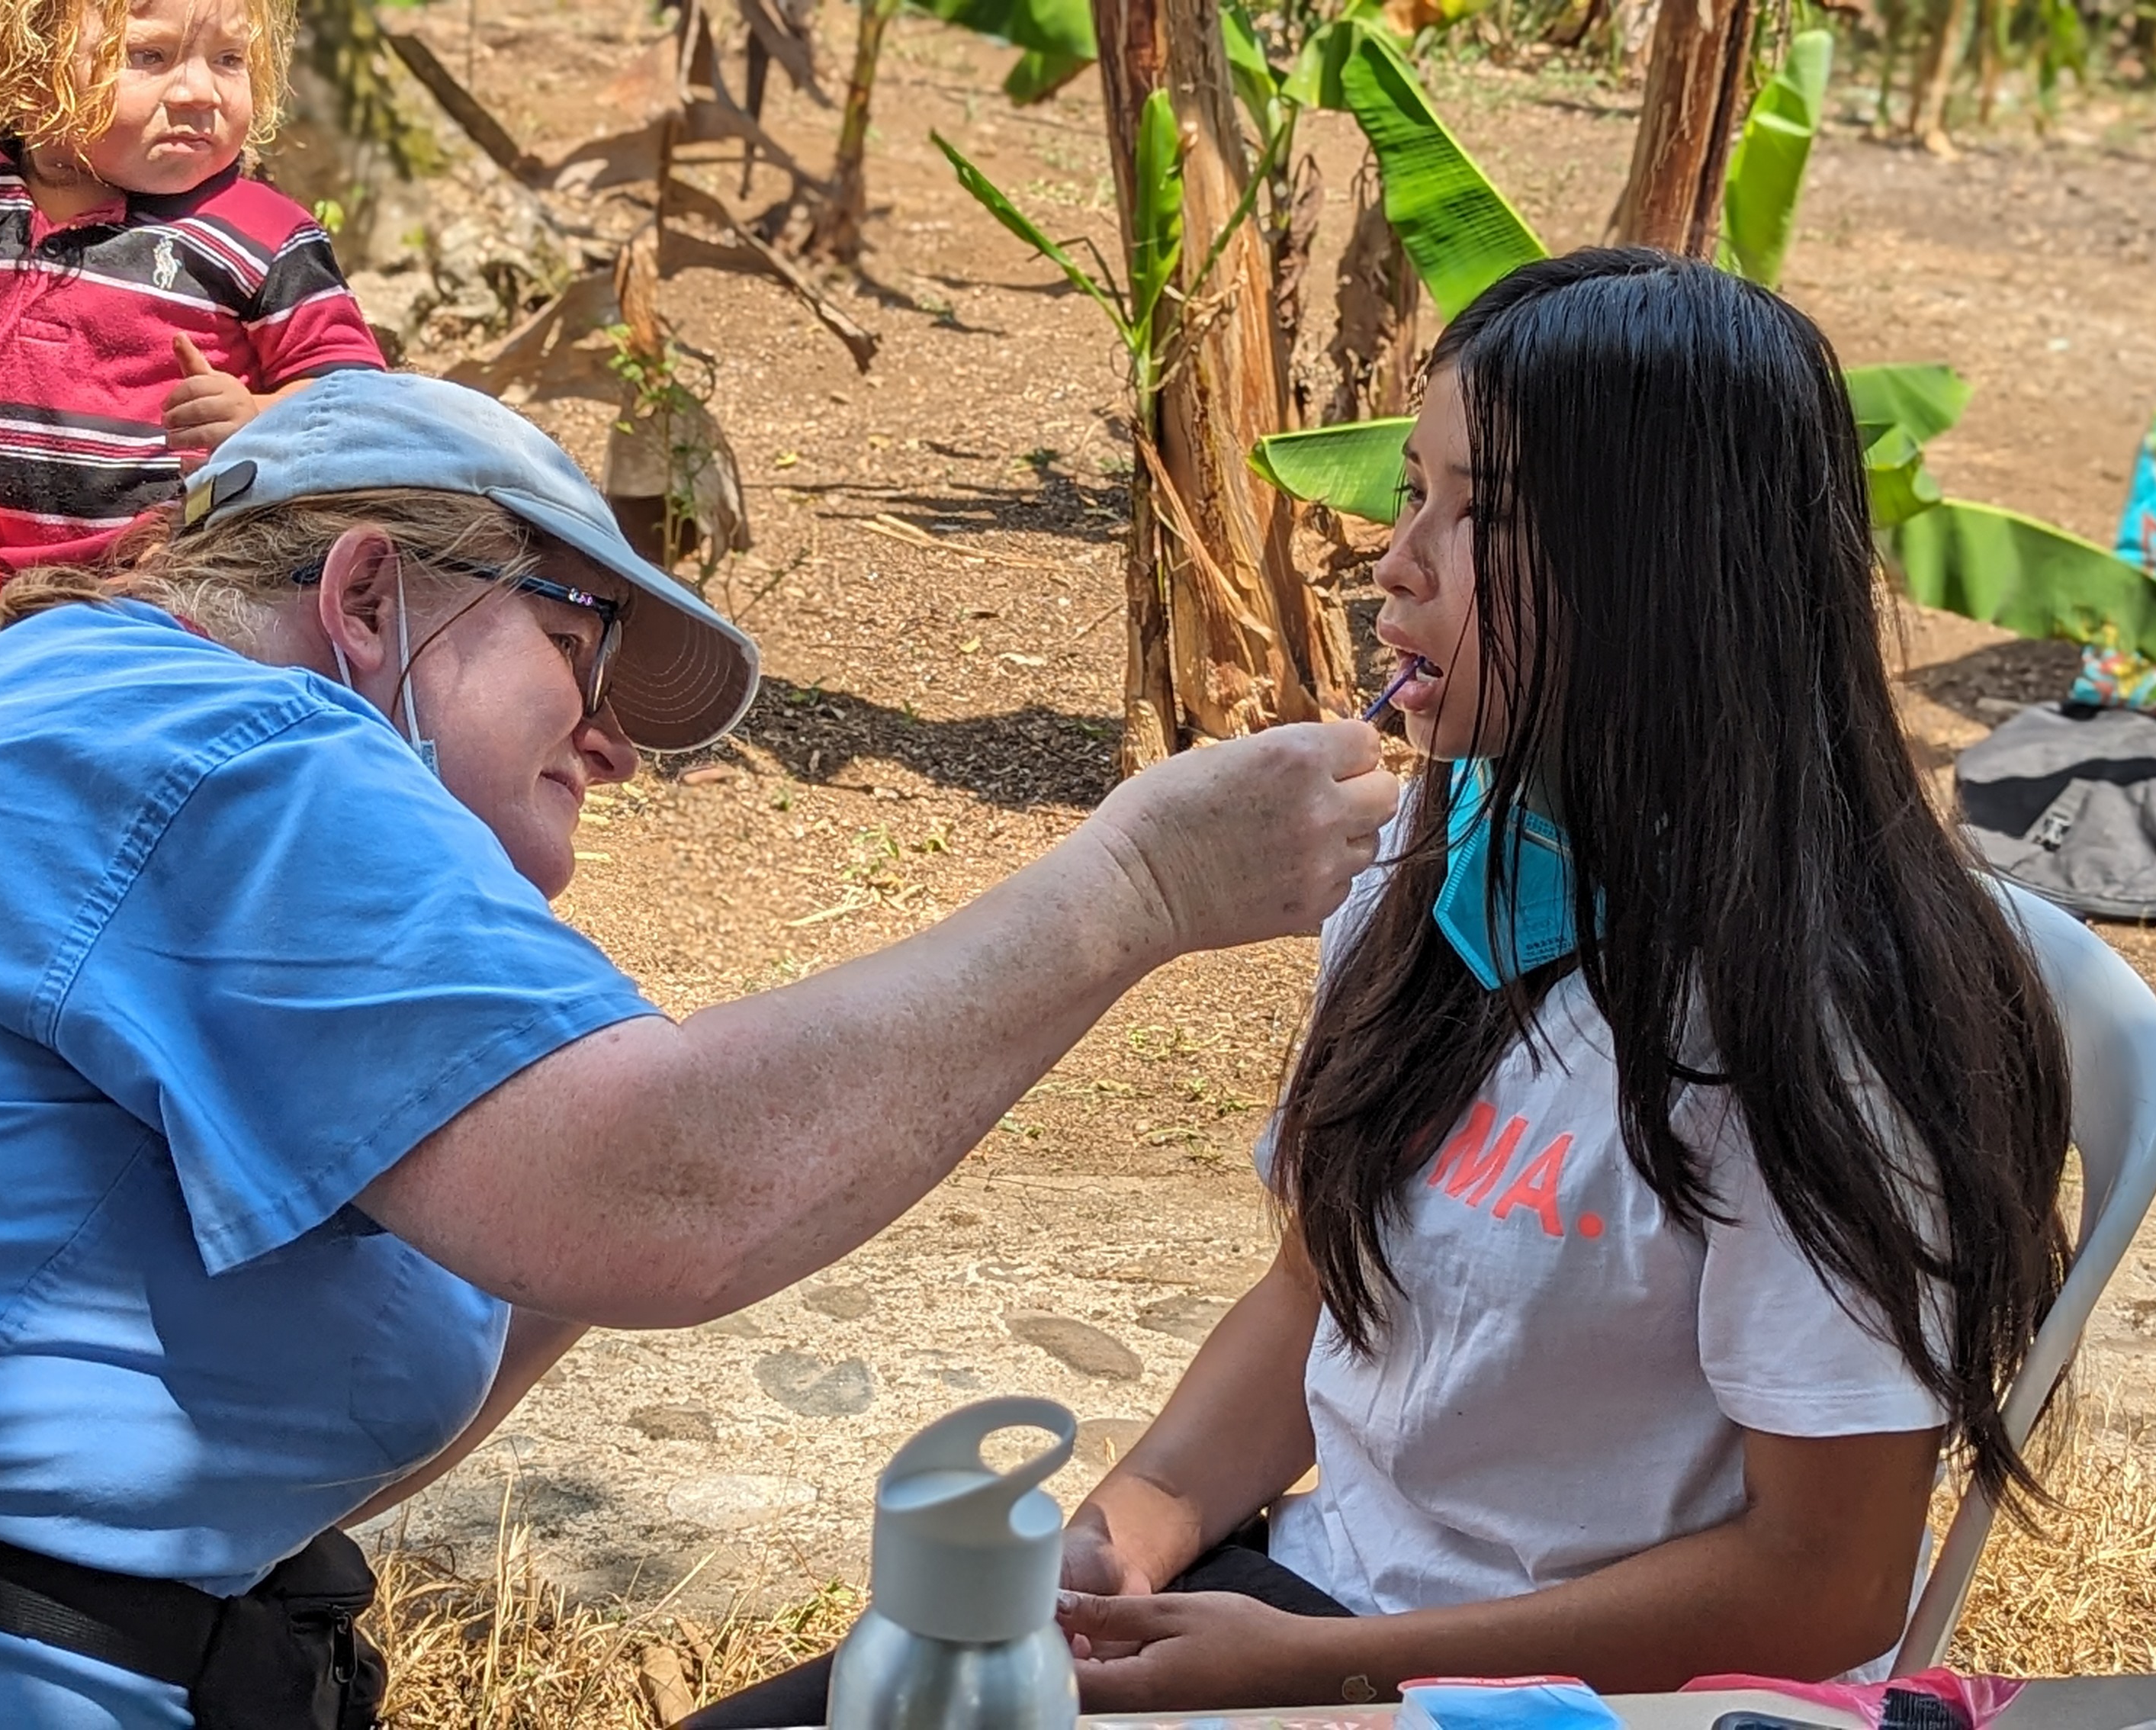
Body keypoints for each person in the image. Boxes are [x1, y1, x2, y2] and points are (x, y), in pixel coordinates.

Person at [0, 370, 1398, 1727]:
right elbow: (668, 1198)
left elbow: (401, 1375)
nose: (618, 743)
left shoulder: (65, 735)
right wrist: (1135, 886)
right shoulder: (221, 739)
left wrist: (608, 1184)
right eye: (576, 644)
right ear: (370, 593)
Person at [683, 251, 2074, 1727]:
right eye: (1411, 490)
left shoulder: (1821, 1016)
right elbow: (1320, 1293)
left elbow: (1825, 1586)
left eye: (1481, 513)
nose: (1396, 559)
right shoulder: (1441, 855)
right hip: (1317, 1605)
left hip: (1578, 1695)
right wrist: (1133, 1529)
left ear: (1676, 569)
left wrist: (1313, 1666)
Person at [0, 0, 384, 568]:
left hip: (158, 583)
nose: (202, 93)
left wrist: (258, 414)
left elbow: (357, 397)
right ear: (29, 62)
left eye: (231, 59)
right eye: (149, 56)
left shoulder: (266, 234)